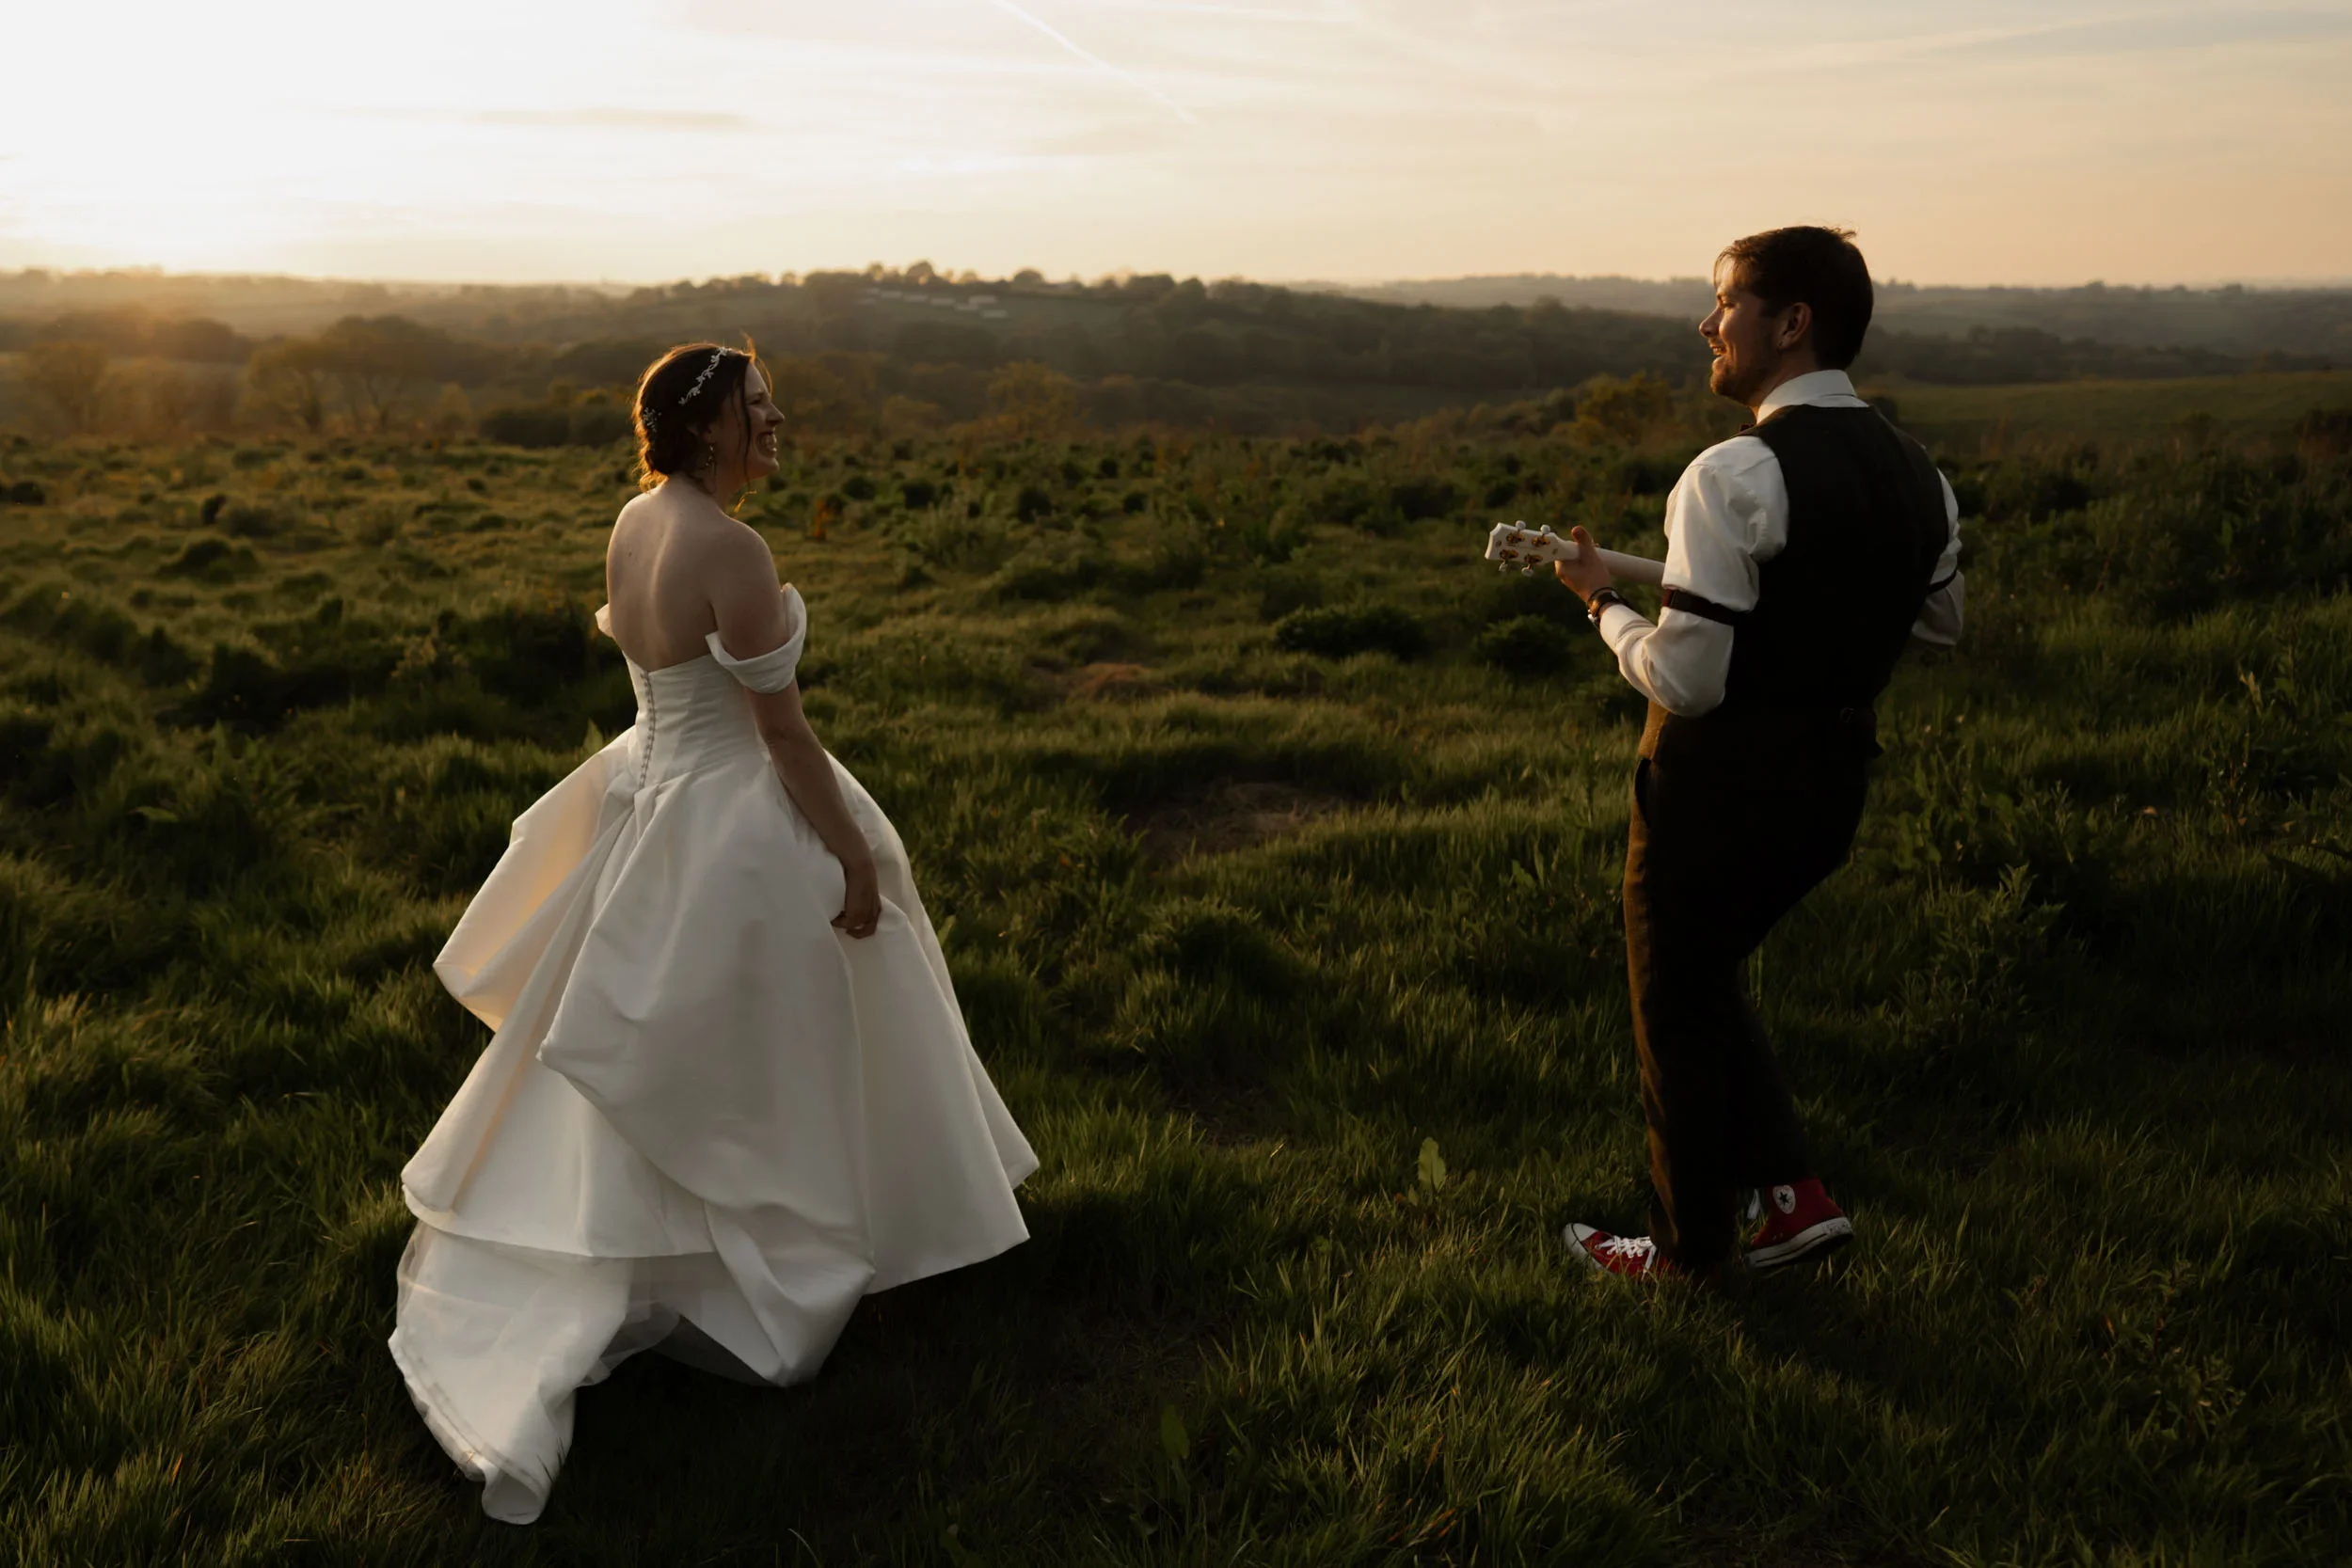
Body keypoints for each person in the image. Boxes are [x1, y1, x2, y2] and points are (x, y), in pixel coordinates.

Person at [389, 343, 1038, 1521]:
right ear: (707, 426)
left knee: (678, 1045)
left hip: (649, 788)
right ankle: (796, 1254)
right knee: (789, 1027)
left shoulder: (640, 520)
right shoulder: (735, 549)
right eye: (758, 406)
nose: (778, 419)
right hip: (731, 804)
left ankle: (679, 1242)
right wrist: (848, 849)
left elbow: (658, 676)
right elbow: (782, 735)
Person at [1552, 228, 1963, 1283]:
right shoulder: (1923, 475)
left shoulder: (1730, 471)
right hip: (1829, 791)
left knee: (1671, 1004)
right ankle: (1792, 1198)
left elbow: (1688, 679)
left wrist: (1602, 604)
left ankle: (1688, 1259)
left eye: (1725, 302)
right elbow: (1938, 621)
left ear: (1791, 323)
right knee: (1706, 972)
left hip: (1709, 791)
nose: (1707, 323)